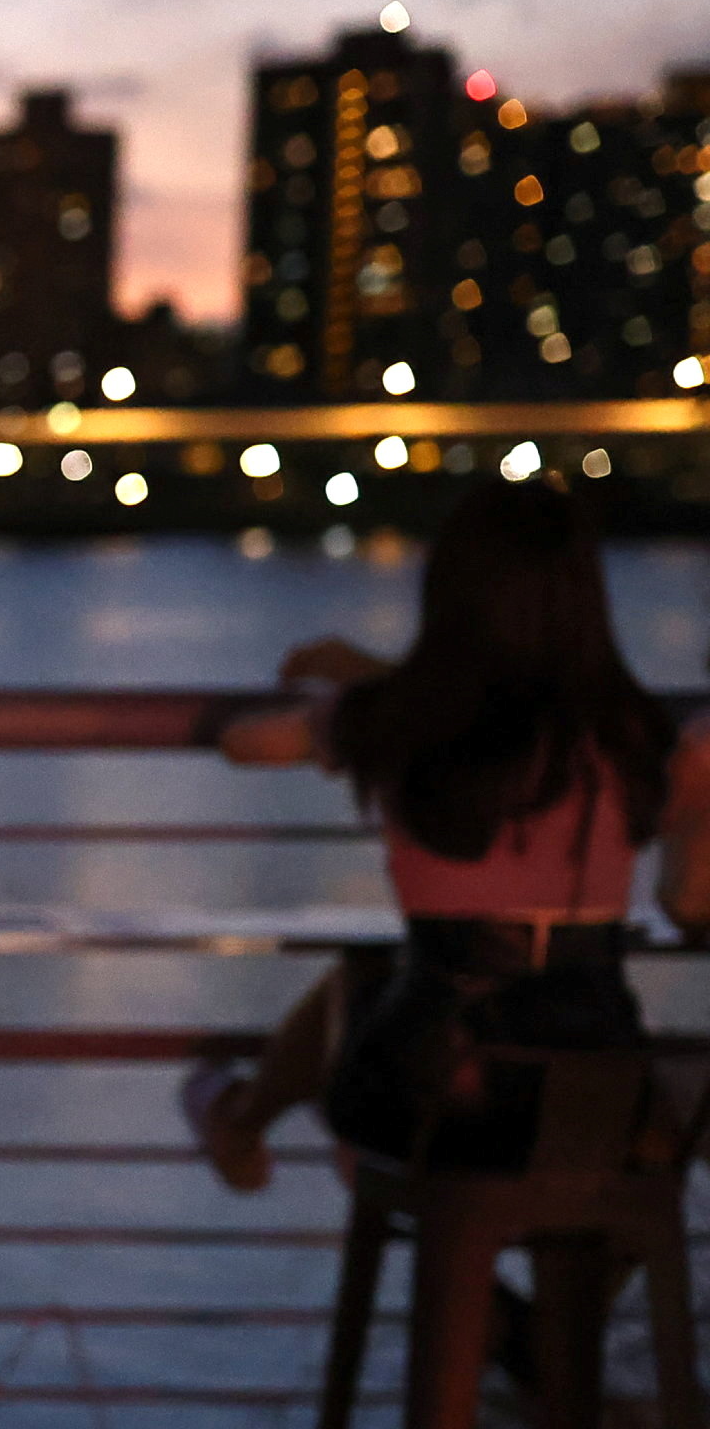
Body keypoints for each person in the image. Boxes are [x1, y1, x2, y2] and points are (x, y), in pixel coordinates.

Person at [185, 475, 710, 1186]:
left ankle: (239, 1119)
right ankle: (516, 1299)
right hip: (596, 1077)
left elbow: (244, 744)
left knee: (363, 991)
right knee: (599, 1178)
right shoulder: (631, 734)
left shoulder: (396, 719)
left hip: (434, 1091)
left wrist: (369, 691)